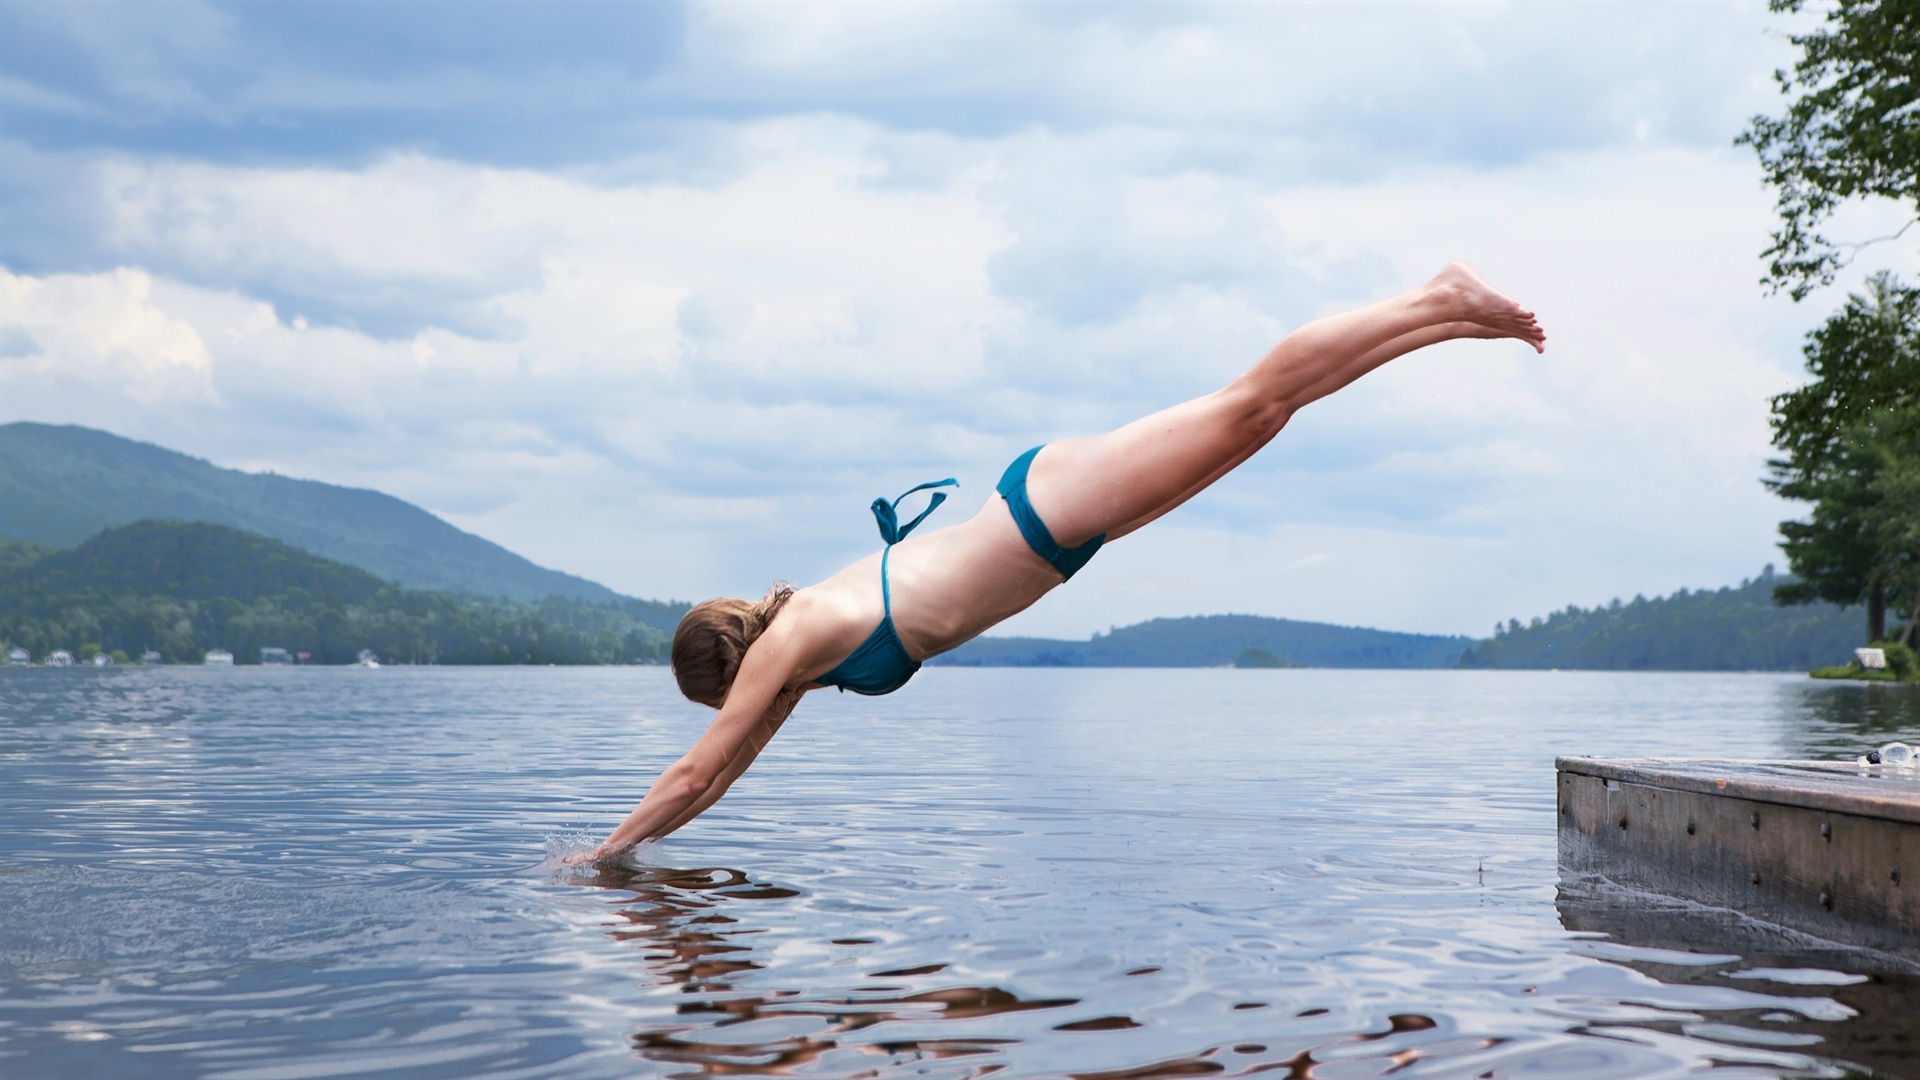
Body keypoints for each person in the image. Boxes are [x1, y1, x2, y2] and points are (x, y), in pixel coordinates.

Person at [586, 262, 1545, 860]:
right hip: (1058, 534)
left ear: (724, 674)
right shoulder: (796, 657)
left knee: (1250, 401)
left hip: (1043, 513)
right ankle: (1446, 318)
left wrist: (595, 858)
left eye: (718, 703)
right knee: (1263, 420)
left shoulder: (789, 641)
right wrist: (631, 857)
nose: (731, 716)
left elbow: (693, 774)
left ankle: (1438, 299)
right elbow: (726, 771)